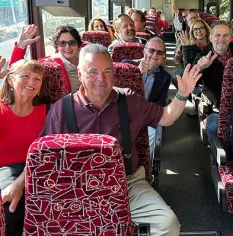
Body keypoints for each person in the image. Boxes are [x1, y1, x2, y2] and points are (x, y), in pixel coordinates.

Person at [41, 43, 201, 236]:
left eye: (107, 71)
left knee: (167, 224)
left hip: (127, 183)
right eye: (92, 72)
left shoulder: (129, 100)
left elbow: (167, 117)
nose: (101, 79)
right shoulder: (61, 109)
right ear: (80, 73)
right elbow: (44, 158)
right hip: (76, 186)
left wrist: (182, 94)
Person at [0, 58, 46, 236]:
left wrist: (20, 182)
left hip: (39, 169)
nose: (31, 82)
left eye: (37, 78)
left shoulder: (48, 111)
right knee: (8, 207)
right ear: (10, 80)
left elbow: (48, 153)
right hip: (6, 171)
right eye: (25, 76)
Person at [194, 21, 233, 139]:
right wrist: (200, 69)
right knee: (215, 127)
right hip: (216, 107)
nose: (221, 39)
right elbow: (191, 85)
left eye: (225, 35)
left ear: (230, 38)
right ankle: (217, 155)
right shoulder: (201, 56)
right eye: (217, 35)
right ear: (210, 37)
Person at [10, 25, 82, 93]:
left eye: (72, 42)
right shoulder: (50, 66)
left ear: (78, 44)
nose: (67, 47)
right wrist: (20, 47)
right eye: (62, 43)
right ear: (57, 46)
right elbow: (15, 71)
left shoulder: (87, 58)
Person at [136, 37, 171, 161]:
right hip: (124, 110)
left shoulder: (164, 77)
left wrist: (146, 113)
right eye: (152, 50)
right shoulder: (128, 65)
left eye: (159, 52)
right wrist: (137, 73)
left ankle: (145, 166)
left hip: (147, 113)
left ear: (163, 57)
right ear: (144, 51)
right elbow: (119, 91)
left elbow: (161, 101)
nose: (155, 54)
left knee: (150, 131)